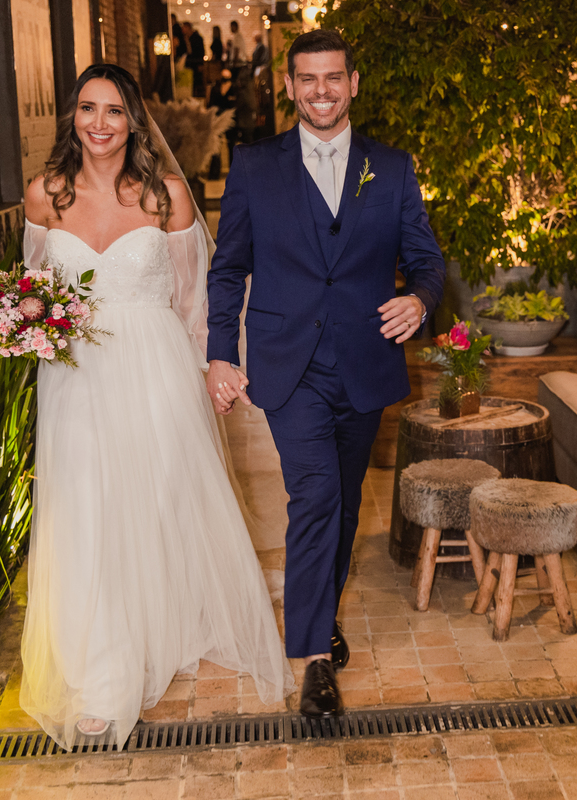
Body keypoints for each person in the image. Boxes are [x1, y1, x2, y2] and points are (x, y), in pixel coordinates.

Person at [19, 63, 292, 750]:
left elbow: (194, 301)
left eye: (114, 110)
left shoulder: (166, 196)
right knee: (86, 509)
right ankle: (102, 673)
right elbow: (34, 291)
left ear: (134, 121)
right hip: (76, 375)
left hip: (155, 368)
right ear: (72, 116)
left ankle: (158, 623)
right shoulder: (44, 195)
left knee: (153, 503)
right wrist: (22, 322)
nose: (100, 123)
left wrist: (211, 372)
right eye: (88, 108)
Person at [206, 29, 445, 718]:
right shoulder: (255, 167)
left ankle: (321, 610)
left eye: (333, 77)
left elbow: (426, 260)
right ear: (289, 86)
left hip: (364, 363)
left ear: (353, 83)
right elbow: (229, 267)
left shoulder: (391, 167)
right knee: (314, 497)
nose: (321, 91)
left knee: (341, 502)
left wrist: (419, 299)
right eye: (307, 79)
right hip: (290, 365)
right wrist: (221, 353)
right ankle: (311, 659)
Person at [183, 22, 206, 97]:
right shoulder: (186, 38)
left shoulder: (197, 38)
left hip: (196, 62)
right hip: (190, 63)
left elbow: (201, 51)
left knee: (197, 81)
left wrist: (200, 63)